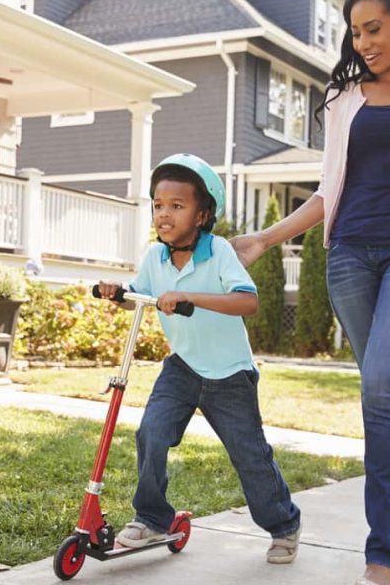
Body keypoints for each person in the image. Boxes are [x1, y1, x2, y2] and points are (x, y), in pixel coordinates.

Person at [231, 0, 390, 584]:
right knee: (385, 394)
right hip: (347, 257)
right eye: (355, 32)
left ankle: (379, 551)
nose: (362, 42)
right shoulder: (343, 96)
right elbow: (327, 190)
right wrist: (265, 239)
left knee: (379, 387)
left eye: (373, 28)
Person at [98, 153, 302, 564]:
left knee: (249, 455)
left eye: (177, 206)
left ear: (203, 214)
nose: (164, 214)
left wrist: (191, 297)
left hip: (230, 375)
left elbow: (248, 302)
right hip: (183, 367)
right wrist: (117, 292)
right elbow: (142, 294)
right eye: (158, 205)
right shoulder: (154, 258)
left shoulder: (220, 251)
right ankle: (153, 517)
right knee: (151, 434)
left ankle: (283, 525)